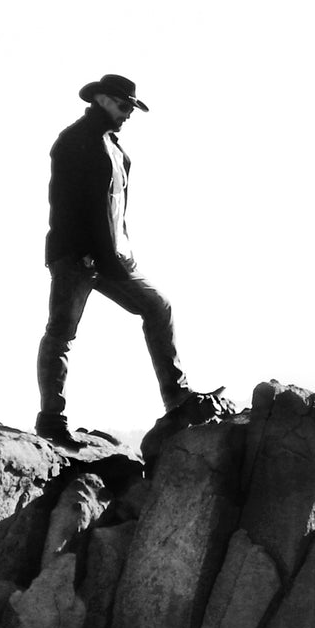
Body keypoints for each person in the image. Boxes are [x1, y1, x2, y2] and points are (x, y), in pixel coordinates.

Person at [36, 74, 220, 447]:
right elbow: (67, 205)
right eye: (124, 106)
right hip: (77, 256)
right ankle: (51, 422)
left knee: (158, 307)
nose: (128, 114)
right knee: (61, 333)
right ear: (101, 100)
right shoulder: (74, 142)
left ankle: (177, 398)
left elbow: (115, 211)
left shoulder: (116, 150)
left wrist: (124, 253)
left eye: (131, 108)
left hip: (113, 258)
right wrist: (82, 252)